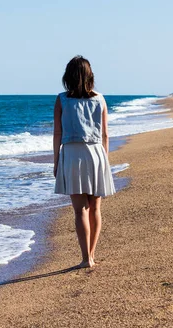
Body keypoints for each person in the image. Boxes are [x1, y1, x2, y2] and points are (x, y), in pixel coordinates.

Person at [53, 55, 116, 269]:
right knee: (95, 208)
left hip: (72, 154)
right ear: (90, 76)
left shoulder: (62, 99)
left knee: (80, 210)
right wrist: (104, 160)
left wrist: (56, 162)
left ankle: (85, 259)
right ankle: (92, 254)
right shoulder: (100, 99)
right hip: (96, 153)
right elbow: (106, 134)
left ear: (68, 76)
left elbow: (57, 134)